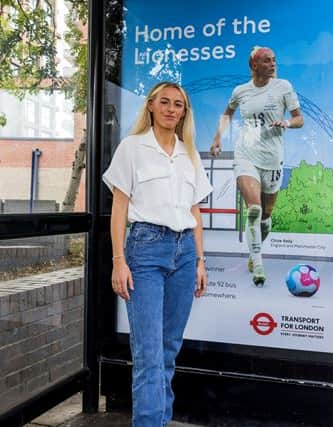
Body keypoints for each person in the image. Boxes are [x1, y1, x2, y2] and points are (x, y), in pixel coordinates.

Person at [102, 81, 212, 427]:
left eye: (178, 105)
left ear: (184, 113)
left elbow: (195, 213)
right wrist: (119, 261)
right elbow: (119, 208)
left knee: (167, 351)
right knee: (149, 355)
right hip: (145, 251)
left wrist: (199, 260)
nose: (171, 109)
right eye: (164, 102)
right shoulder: (132, 148)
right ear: (150, 105)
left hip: (183, 254)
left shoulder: (189, 153)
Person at [210, 46, 304, 286]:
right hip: (246, 154)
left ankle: (255, 249)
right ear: (254, 65)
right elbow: (227, 114)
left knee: (266, 214)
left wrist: (286, 123)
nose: (272, 64)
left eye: (274, 60)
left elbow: (299, 119)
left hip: (272, 158)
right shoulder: (240, 91)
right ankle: (258, 263)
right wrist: (218, 138)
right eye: (266, 61)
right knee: (254, 209)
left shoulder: (283, 87)